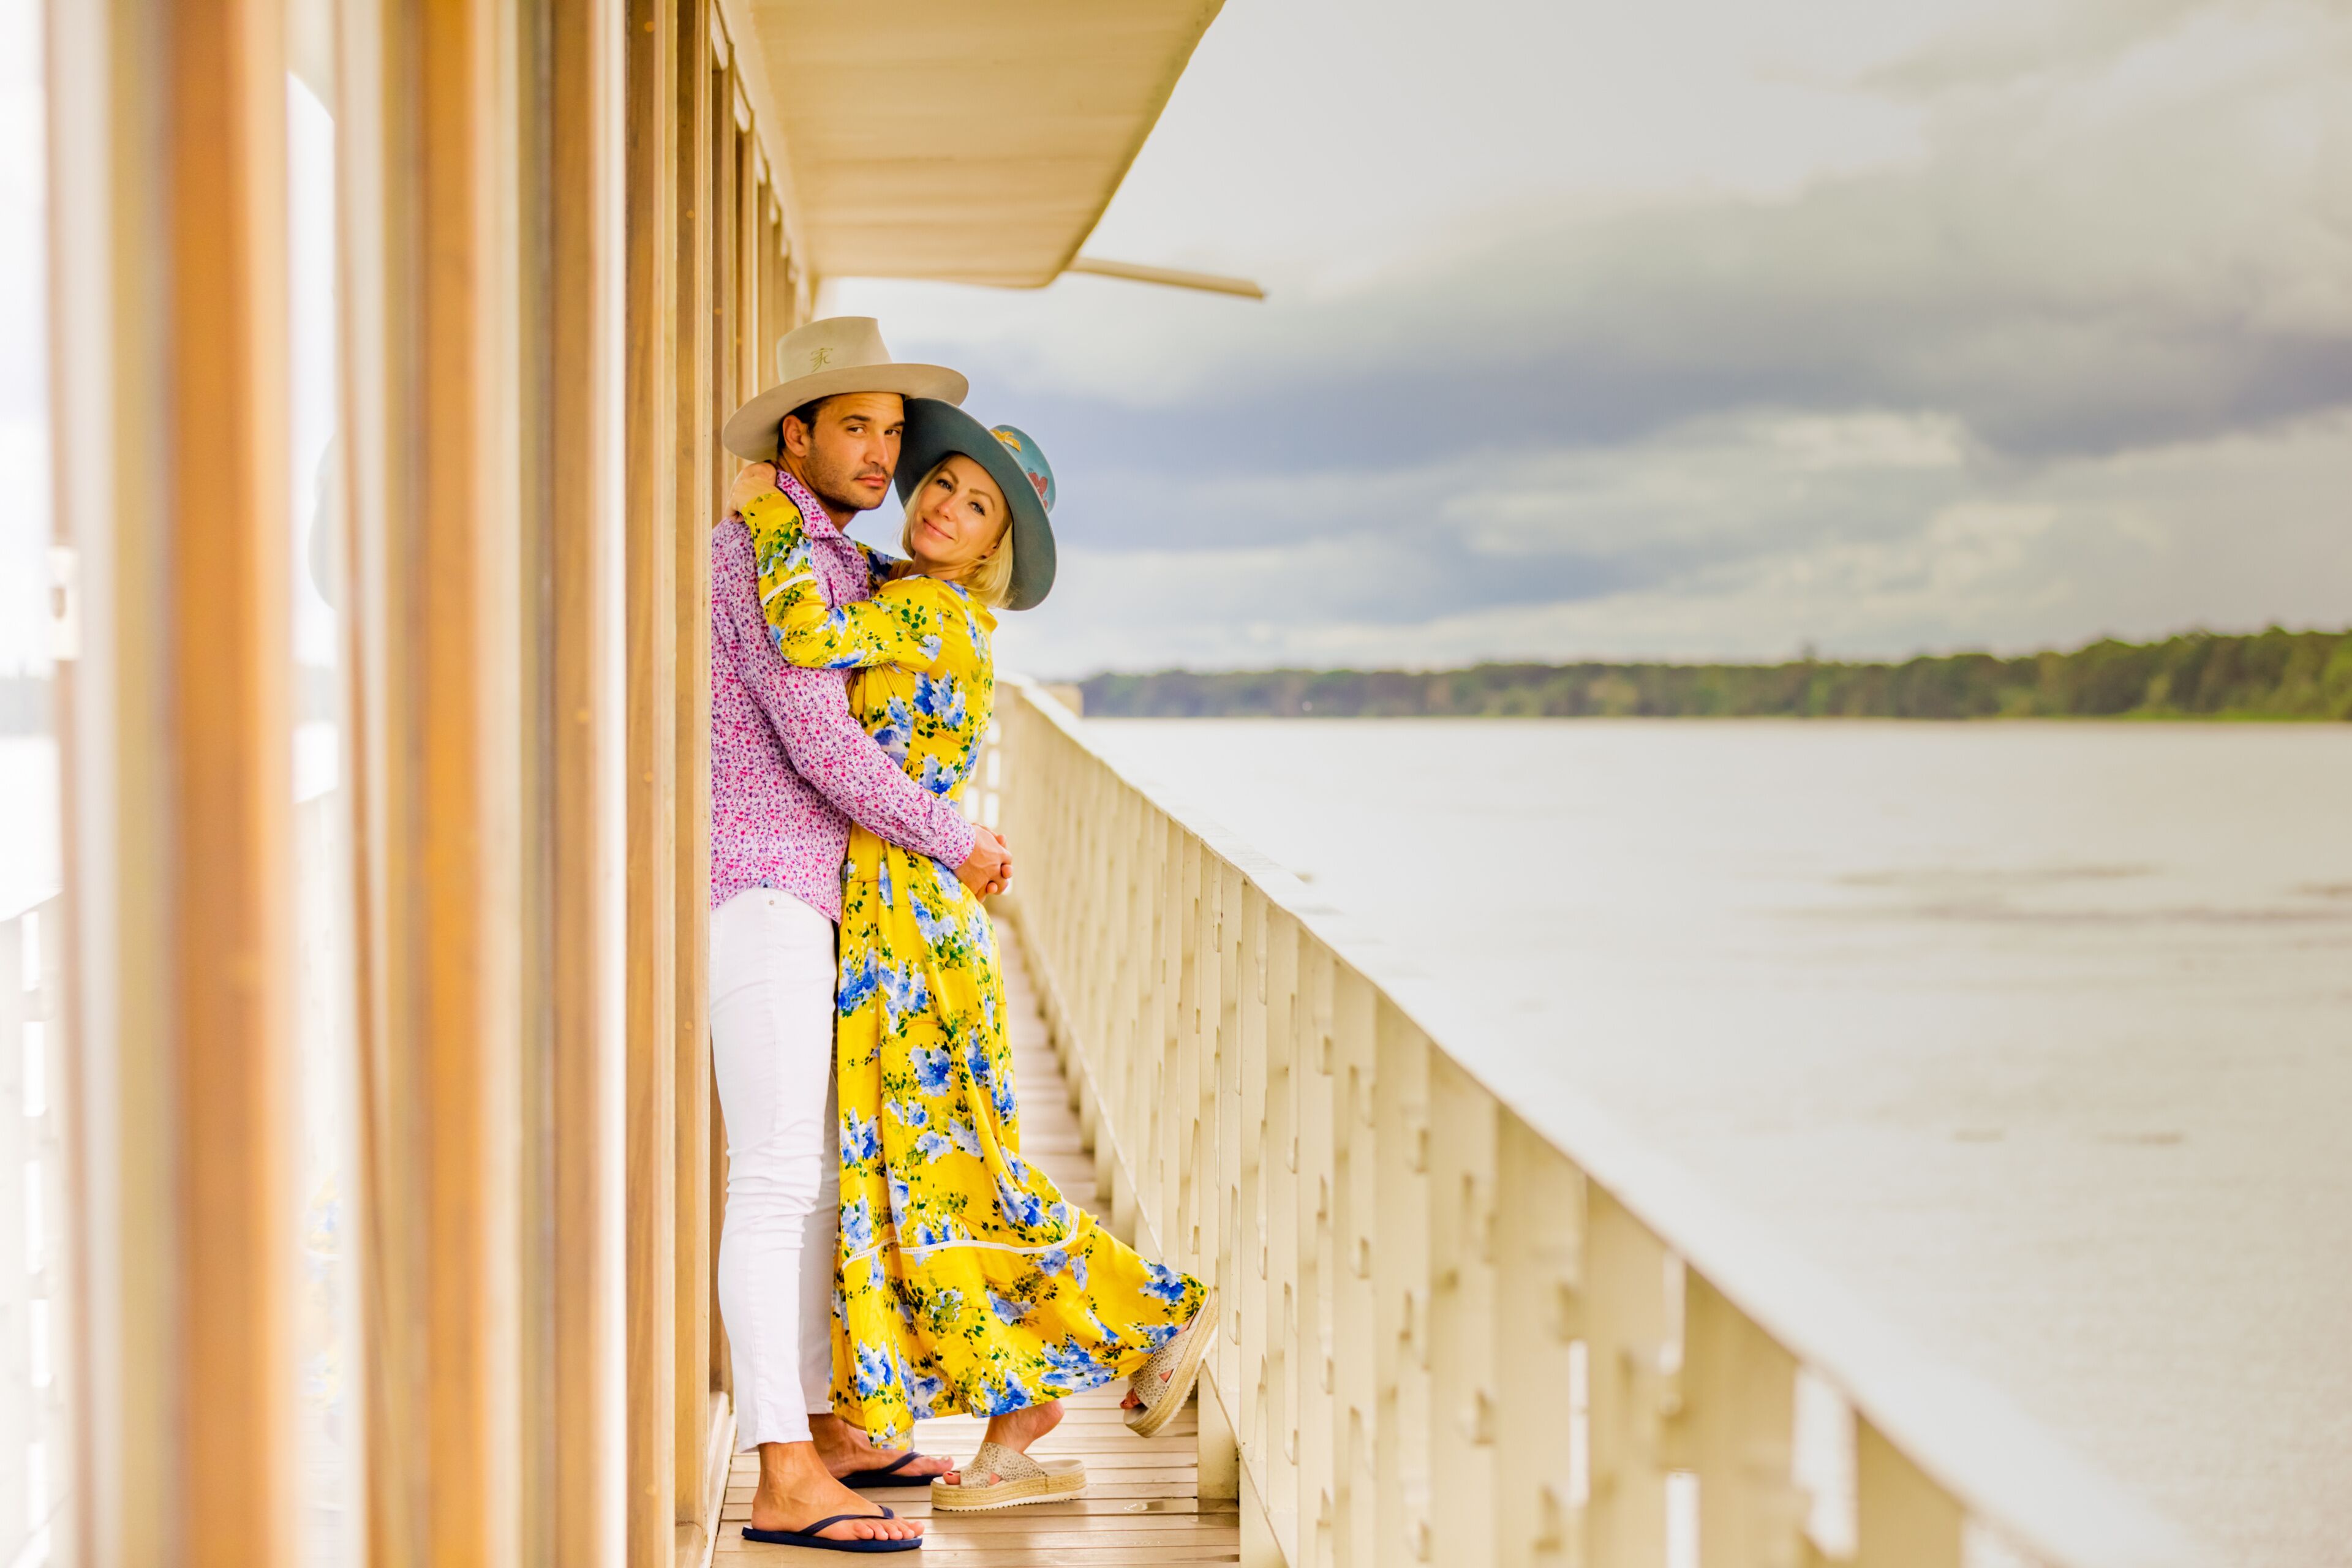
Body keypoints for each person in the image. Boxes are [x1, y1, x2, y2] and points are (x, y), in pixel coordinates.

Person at [731, 398, 1216, 1518]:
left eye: (977, 504)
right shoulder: (908, 596)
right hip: (893, 903)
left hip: (913, 916)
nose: (946, 507)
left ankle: (1151, 1309)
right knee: (931, 1161)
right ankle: (1016, 1421)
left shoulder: (937, 615)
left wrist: (763, 522)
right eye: (941, 484)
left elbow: (803, 639)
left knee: (953, 1158)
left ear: (998, 544)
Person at [708, 317, 1016, 1550]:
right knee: (777, 1175)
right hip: (764, 883)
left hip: (827, 896)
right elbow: (824, 744)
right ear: (798, 433)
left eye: (895, 431)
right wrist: (958, 836)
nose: (884, 453)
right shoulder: (762, 546)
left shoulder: (842, 558)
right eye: (857, 428)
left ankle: (833, 1427)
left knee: (827, 1175)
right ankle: (782, 1470)